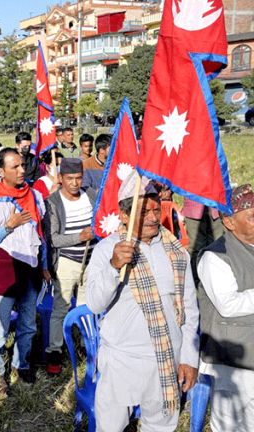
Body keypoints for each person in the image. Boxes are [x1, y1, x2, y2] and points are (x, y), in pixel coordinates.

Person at [86, 172, 199, 432]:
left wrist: (189, 358)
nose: (151, 217)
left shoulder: (177, 251)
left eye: (156, 209)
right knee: (111, 427)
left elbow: (190, 310)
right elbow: (93, 304)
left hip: (166, 360)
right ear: (124, 215)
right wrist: (114, 266)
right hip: (121, 360)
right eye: (143, 210)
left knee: (160, 427)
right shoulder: (108, 249)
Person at [0, 148, 46, 388]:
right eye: (14, 167)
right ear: (1, 171)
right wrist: (8, 226)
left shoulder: (34, 196)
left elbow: (40, 234)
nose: (22, 170)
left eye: (22, 165)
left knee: (28, 324)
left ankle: (20, 364)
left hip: (30, 269)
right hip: (4, 270)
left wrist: (43, 265)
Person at [197, 184, 254, 431]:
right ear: (230, 223)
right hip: (232, 361)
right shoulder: (215, 256)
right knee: (231, 426)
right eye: (252, 217)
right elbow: (228, 305)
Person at [41, 158, 97, 375]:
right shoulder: (53, 202)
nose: (74, 183)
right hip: (66, 263)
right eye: (70, 178)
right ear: (61, 178)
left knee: (86, 306)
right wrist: (79, 237)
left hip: (91, 261)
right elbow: (53, 239)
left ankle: (86, 347)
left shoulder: (91, 195)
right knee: (61, 308)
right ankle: (54, 353)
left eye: (78, 178)